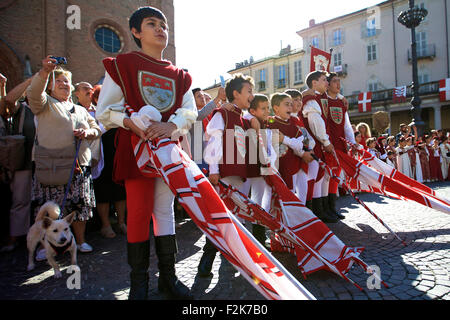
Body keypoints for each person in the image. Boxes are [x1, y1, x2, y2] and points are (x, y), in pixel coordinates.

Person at [96, 6, 196, 300]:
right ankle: (139, 284)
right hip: (137, 150)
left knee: (164, 212)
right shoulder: (122, 64)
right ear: (137, 33)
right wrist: (129, 122)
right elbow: (105, 112)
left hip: (168, 151)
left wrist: (171, 127)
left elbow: (188, 112)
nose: (160, 28)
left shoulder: (180, 75)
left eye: (163, 24)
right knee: (138, 214)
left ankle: (168, 278)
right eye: (151, 24)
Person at [27, 59, 101, 256]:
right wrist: (44, 72)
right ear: (50, 86)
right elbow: (33, 93)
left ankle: (80, 241)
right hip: (50, 166)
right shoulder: (44, 104)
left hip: (77, 166)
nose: (63, 84)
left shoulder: (81, 110)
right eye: (58, 81)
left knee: (78, 207)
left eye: (66, 81)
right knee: (48, 209)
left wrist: (87, 134)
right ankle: (46, 246)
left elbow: (96, 129)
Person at [199, 73, 254, 277]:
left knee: (237, 217)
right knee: (219, 216)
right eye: (249, 91)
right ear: (235, 93)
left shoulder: (243, 118)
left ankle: (233, 256)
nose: (252, 95)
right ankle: (207, 259)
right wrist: (213, 170)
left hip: (239, 174)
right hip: (224, 173)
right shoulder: (222, 114)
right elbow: (214, 141)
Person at [0, 77, 35, 253]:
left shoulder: (48, 105)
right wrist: (34, 79)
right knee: (20, 200)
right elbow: (8, 100)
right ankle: (15, 237)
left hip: (44, 162)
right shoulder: (21, 108)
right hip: (25, 161)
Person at [300, 70, 339, 223]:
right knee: (315, 179)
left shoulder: (318, 97)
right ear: (314, 83)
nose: (327, 83)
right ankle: (316, 212)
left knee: (321, 177)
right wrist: (326, 142)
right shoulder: (310, 99)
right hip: (314, 145)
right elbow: (316, 123)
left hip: (318, 144)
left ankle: (321, 210)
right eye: (324, 80)